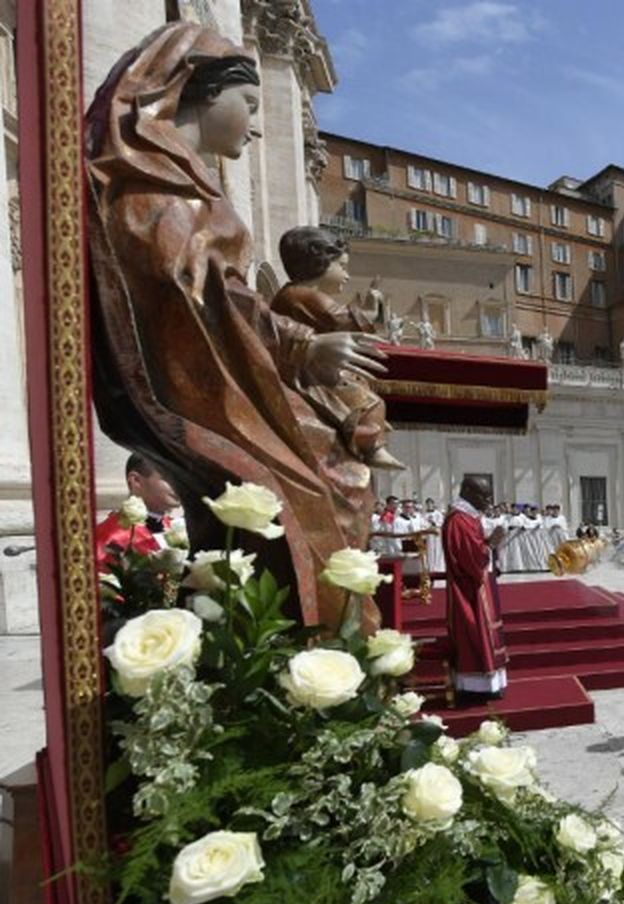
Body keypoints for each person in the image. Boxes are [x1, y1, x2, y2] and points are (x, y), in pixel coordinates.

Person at [86, 24, 386, 629]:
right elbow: (199, 293)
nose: (255, 125)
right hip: (200, 382)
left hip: (229, 369)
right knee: (331, 482)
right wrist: (299, 346)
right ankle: (309, 643)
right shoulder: (156, 189)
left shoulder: (182, 183)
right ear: (200, 89)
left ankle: (314, 644)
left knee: (338, 475)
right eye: (248, 103)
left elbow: (220, 291)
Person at [270, 225, 402, 469]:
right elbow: (341, 320)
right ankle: (368, 442)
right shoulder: (303, 295)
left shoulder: (293, 294)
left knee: (363, 393)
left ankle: (366, 435)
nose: (347, 276)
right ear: (319, 264)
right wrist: (371, 309)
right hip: (307, 370)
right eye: (342, 267)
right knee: (371, 402)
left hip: (309, 363)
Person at [444, 476, 510, 702]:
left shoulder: (468, 517)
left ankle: (491, 681)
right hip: (469, 589)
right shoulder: (459, 520)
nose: (489, 502)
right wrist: (491, 543)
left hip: (479, 583)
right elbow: (471, 558)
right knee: (475, 631)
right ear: (469, 493)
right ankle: (476, 687)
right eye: (485, 496)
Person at [93, 453, 182, 566]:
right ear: (136, 481)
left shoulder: (177, 529)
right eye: (168, 478)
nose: (180, 486)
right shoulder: (110, 537)